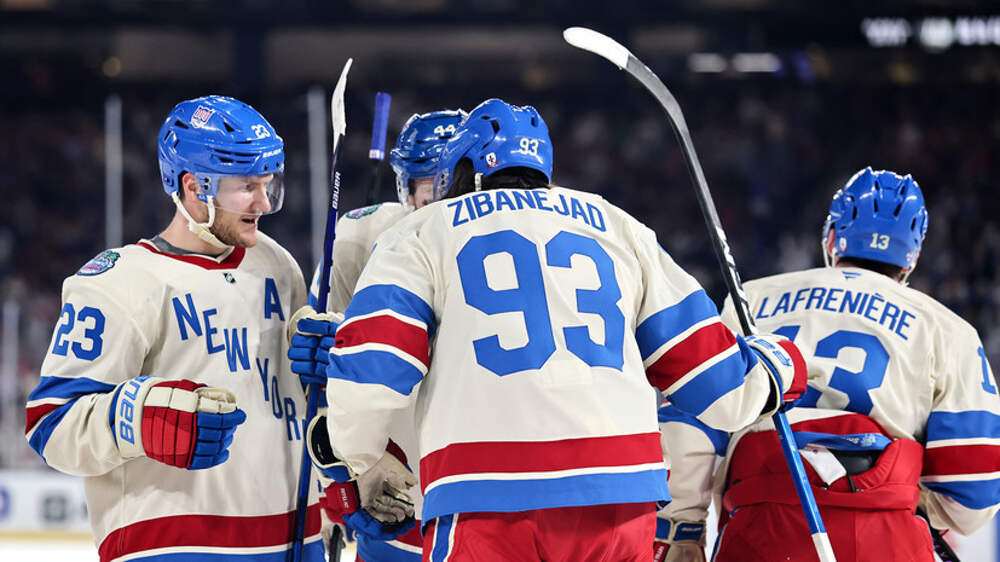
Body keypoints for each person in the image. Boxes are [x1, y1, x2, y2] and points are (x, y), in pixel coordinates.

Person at [295, 97, 808, 561]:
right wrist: (779, 365)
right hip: (620, 495)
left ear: (459, 171)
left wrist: (355, 460)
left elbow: (374, 370)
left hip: (486, 494)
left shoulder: (419, 231)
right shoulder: (618, 224)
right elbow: (718, 386)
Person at [24, 95, 323, 561]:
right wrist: (138, 419)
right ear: (193, 186)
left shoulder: (277, 264)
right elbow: (50, 423)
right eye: (247, 186)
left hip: (295, 540)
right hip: (174, 545)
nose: (264, 203)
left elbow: (291, 402)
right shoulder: (118, 281)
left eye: (269, 184)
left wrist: (325, 365)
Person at [657, 167, 1000, 561]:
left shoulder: (752, 299)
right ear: (914, 255)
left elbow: (693, 421)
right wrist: (905, 499)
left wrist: (681, 530)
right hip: (886, 534)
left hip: (764, 525)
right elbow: (973, 492)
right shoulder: (948, 329)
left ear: (832, 237)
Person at [291, 108, 466, 562]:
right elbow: (320, 379)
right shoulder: (360, 235)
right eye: (429, 190)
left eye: (452, 187)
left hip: (468, 478)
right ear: (404, 187)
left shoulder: (489, 237)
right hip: (393, 478)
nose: (440, 204)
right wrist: (336, 482)